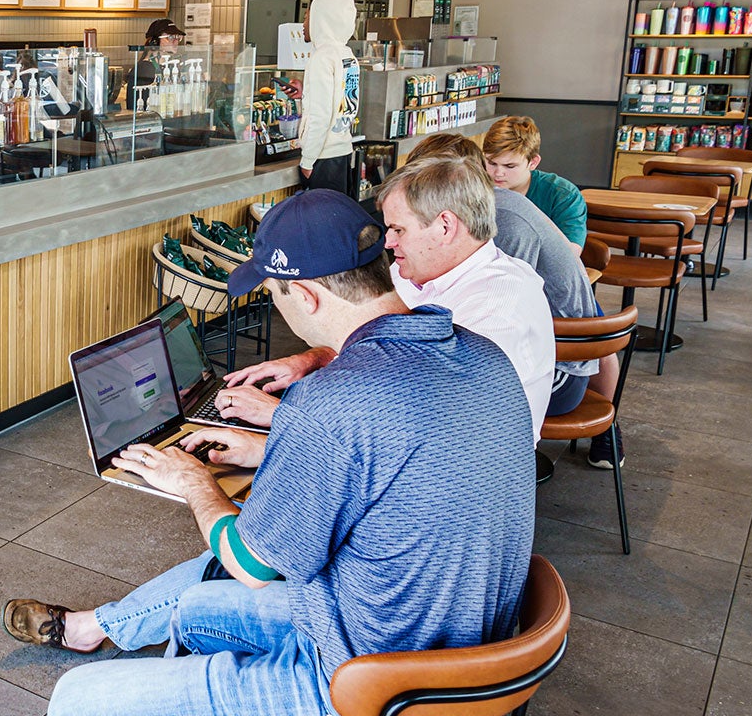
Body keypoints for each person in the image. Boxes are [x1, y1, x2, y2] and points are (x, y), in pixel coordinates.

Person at [6, 190, 535, 716]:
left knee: (75, 707)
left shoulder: (337, 400)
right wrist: (284, 439)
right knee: (194, 608)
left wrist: (195, 482)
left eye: (276, 293)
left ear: (305, 294)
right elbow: (395, 456)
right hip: (450, 680)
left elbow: (249, 562)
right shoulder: (482, 356)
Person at [228, 156, 555, 442]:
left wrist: (285, 419)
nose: (388, 242)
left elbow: (421, 434)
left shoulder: (497, 311)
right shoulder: (417, 270)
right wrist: (315, 357)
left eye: (399, 229)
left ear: (445, 226)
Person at [408, 133, 623, 470]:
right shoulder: (484, 209)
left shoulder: (503, 221)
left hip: (564, 365)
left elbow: (489, 322)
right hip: (558, 343)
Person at [482, 115, 587, 255]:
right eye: (492, 163)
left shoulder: (563, 194)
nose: (498, 173)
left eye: (510, 166)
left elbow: (570, 255)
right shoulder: (476, 188)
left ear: (533, 162)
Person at [296, 0, 360, 195]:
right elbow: (344, 102)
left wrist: (307, 160)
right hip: (342, 152)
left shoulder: (321, 58)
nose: (304, 24)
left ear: (322, 19)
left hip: (322, 159)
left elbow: (320, 116)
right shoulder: (347, 55)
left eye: (307, 17)